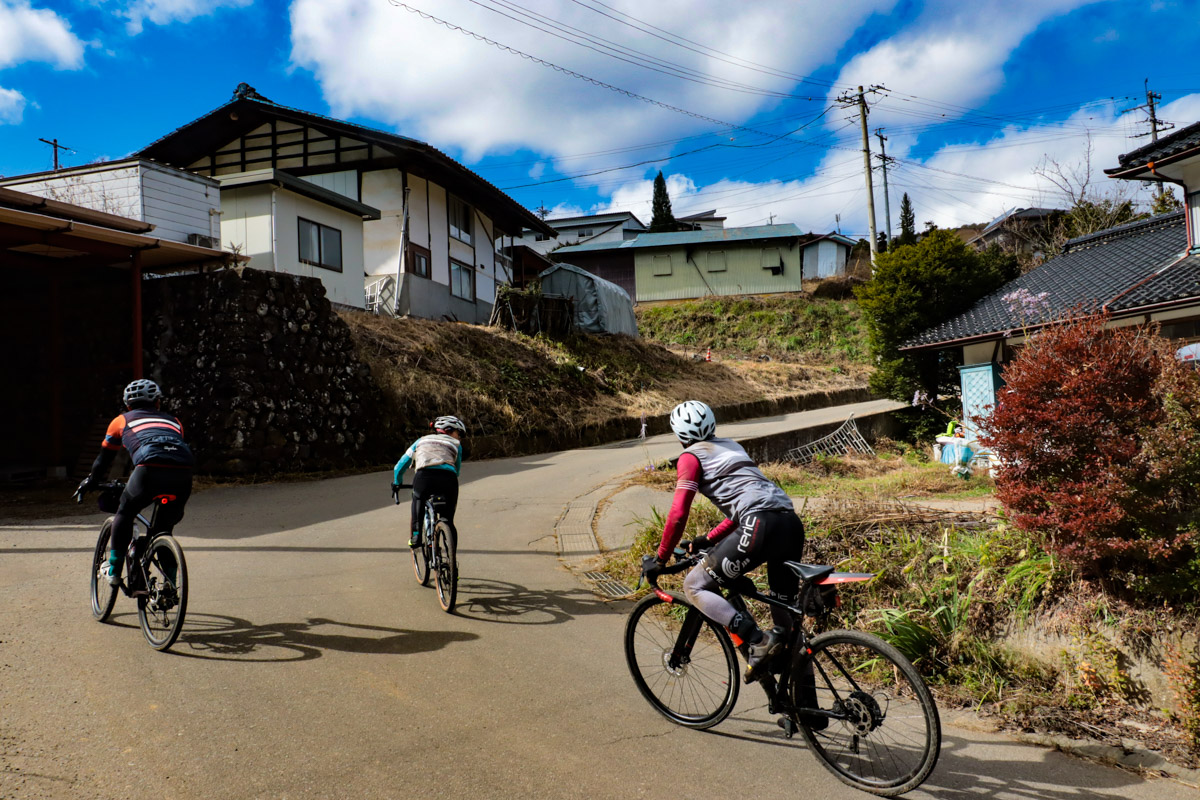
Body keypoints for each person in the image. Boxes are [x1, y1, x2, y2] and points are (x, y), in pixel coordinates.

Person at [647, 400, 805, 683]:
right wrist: (708, 538)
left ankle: (756, 639)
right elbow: (742, 508)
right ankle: (807, 711)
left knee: (694, 585)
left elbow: (679, 512)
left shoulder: (690, 457)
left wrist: (660, 559)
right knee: (786, 622)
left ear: (678, 434)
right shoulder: (732, 447)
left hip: (760, 524)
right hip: (789, 522)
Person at [76, 379, 195, 586]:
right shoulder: (174, 422)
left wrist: (92, 481)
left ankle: (114, 568)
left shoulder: (120, 421)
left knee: (125, 512)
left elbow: (103, 459)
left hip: (149, 470)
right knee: (163, 530)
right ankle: (170, 585)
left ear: (128, 405)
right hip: (183, 474)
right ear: (157, 402)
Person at [392, 416, 466, 547]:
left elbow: (399, 466)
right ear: (448, 430)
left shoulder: (420, 441)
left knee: (418, 498)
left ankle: (416, 536)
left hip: (424, 476)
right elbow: (457, 470)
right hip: (449, 479)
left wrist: (397, 482)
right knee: (448, 519)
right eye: (458, 433)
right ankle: (452, 561)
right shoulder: (457, 445)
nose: (459, 437)